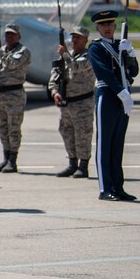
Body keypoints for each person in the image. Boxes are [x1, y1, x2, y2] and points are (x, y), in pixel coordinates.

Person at [89, 10, 139, 201]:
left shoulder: (120, 45)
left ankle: (118, 187)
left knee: (118, 144)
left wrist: (130, 53)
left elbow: (133, 72)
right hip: (108, 96)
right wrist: (122, 93)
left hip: (123, 97)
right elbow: (104, 73)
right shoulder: (96, 48)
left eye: (110, 24)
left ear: (115, 26)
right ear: (98, 28)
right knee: (105, 144)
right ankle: (105, 188)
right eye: (103, 25)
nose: (108, 28)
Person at [48, 26, 95, 179]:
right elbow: (54, 76)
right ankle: (72, 163)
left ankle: (83, 166)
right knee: (67, 132)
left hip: (83, 103)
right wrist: (54, 92)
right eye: (73, 37)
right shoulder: (65, 57)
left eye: (78, 38)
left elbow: (75, 67)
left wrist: (65, 55)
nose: (74, 40)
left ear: (85, 40)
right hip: (66, 104)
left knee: (83, 134)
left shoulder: (89, 56)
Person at [0, 23, 31, 173]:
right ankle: (6, 157)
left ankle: (13, 160)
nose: (9, 37)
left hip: (15, 95)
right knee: (2, 128)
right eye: (7, 34)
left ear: (18, 36)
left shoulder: (23, 51)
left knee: (14, 129)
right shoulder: (0, 52)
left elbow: (12, 64)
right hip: (0, 96)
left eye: (12, 34)